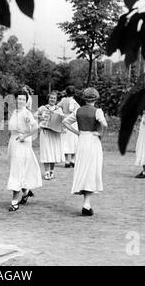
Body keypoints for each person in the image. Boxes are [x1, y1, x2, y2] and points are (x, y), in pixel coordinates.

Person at [63, 87, 107, 216]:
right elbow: (104, 124)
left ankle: (86, 202)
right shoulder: (98, 111)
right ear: (96, 98)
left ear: (84, 98)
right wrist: (99, 133)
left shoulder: (78, 110)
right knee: (92, 169)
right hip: (93, 141)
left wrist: (77, 132)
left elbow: (65, 122)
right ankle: (87, 204)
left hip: (82, 140)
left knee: (83, 167)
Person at [7, 90, 42, 212]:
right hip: (13, 143)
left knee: (17, 171)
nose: (20, 101)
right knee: (17, 169)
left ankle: (14, 201)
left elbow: (36, 127)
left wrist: (24, 136)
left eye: (23, 99)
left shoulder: (26, 113)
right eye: (18, 98)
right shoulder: (14, 112)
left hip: (22, 144)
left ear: (26, 101)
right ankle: (26, 191)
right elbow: (11, 128)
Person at [35, 92, 65, 180]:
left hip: (55, 133)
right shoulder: (43, 108)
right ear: (48, 98)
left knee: (53, 151)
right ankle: (46, 172)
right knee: (46, 151)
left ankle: (52, 171)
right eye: (51, 98)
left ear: (56, 100)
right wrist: (41, 117)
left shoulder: (59, 109)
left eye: (54, 98)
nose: (52, 99)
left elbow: (62, 120)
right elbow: (34, 115)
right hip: (45, 132)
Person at [58, 86, 80, 168]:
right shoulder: (74, 102)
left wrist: (63, 113)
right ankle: (73, 160)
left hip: (65, 121)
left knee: (66, 141)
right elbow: (75, 110)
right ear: (74, 93)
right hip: (73, 122)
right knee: (74, 141)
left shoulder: (63, 100)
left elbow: (58, 106)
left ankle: (67, 161)